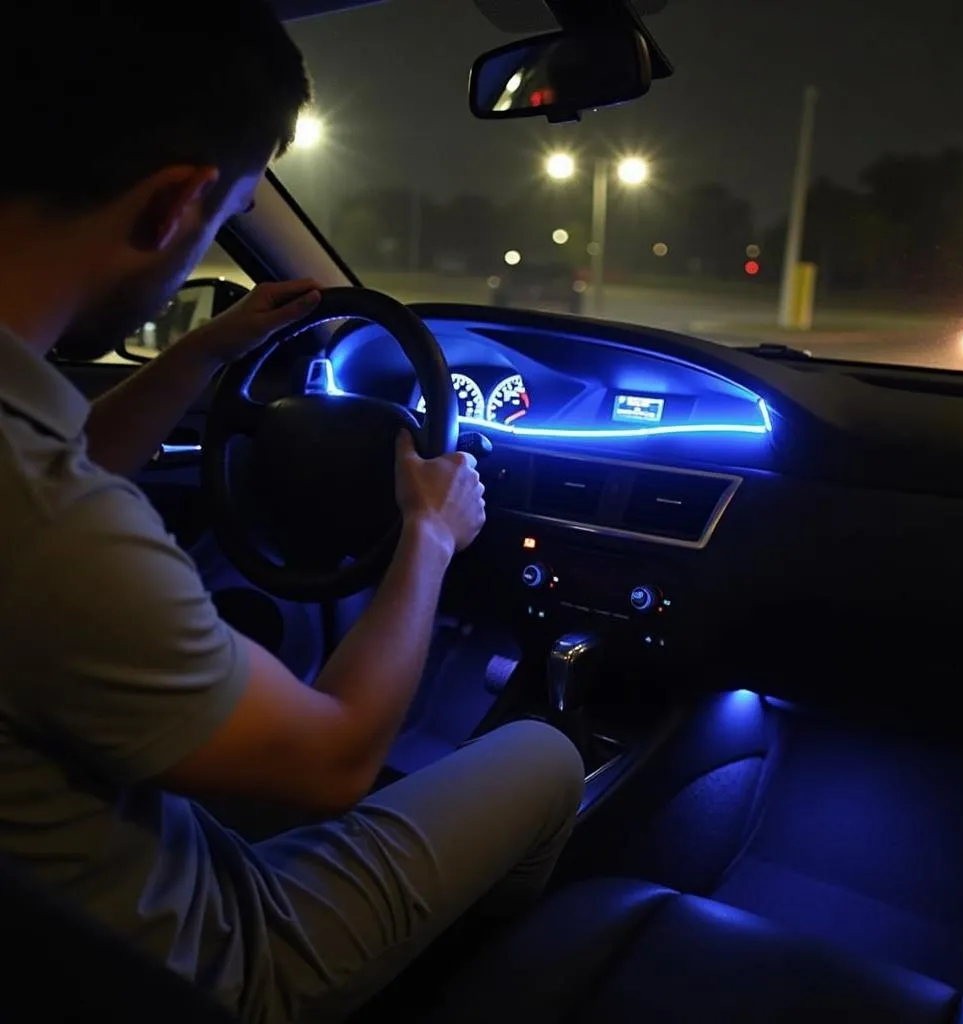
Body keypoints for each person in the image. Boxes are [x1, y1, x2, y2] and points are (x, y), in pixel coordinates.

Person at [0, 2, 584, 1022]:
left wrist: (202, 353)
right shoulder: (56, 535)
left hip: (55, 910)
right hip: (189, 966)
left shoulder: (31, 480)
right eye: (223, 227)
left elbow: (67, 459)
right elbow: (333, 762)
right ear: (170, 206)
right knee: (547, 756)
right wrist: (431, 537)